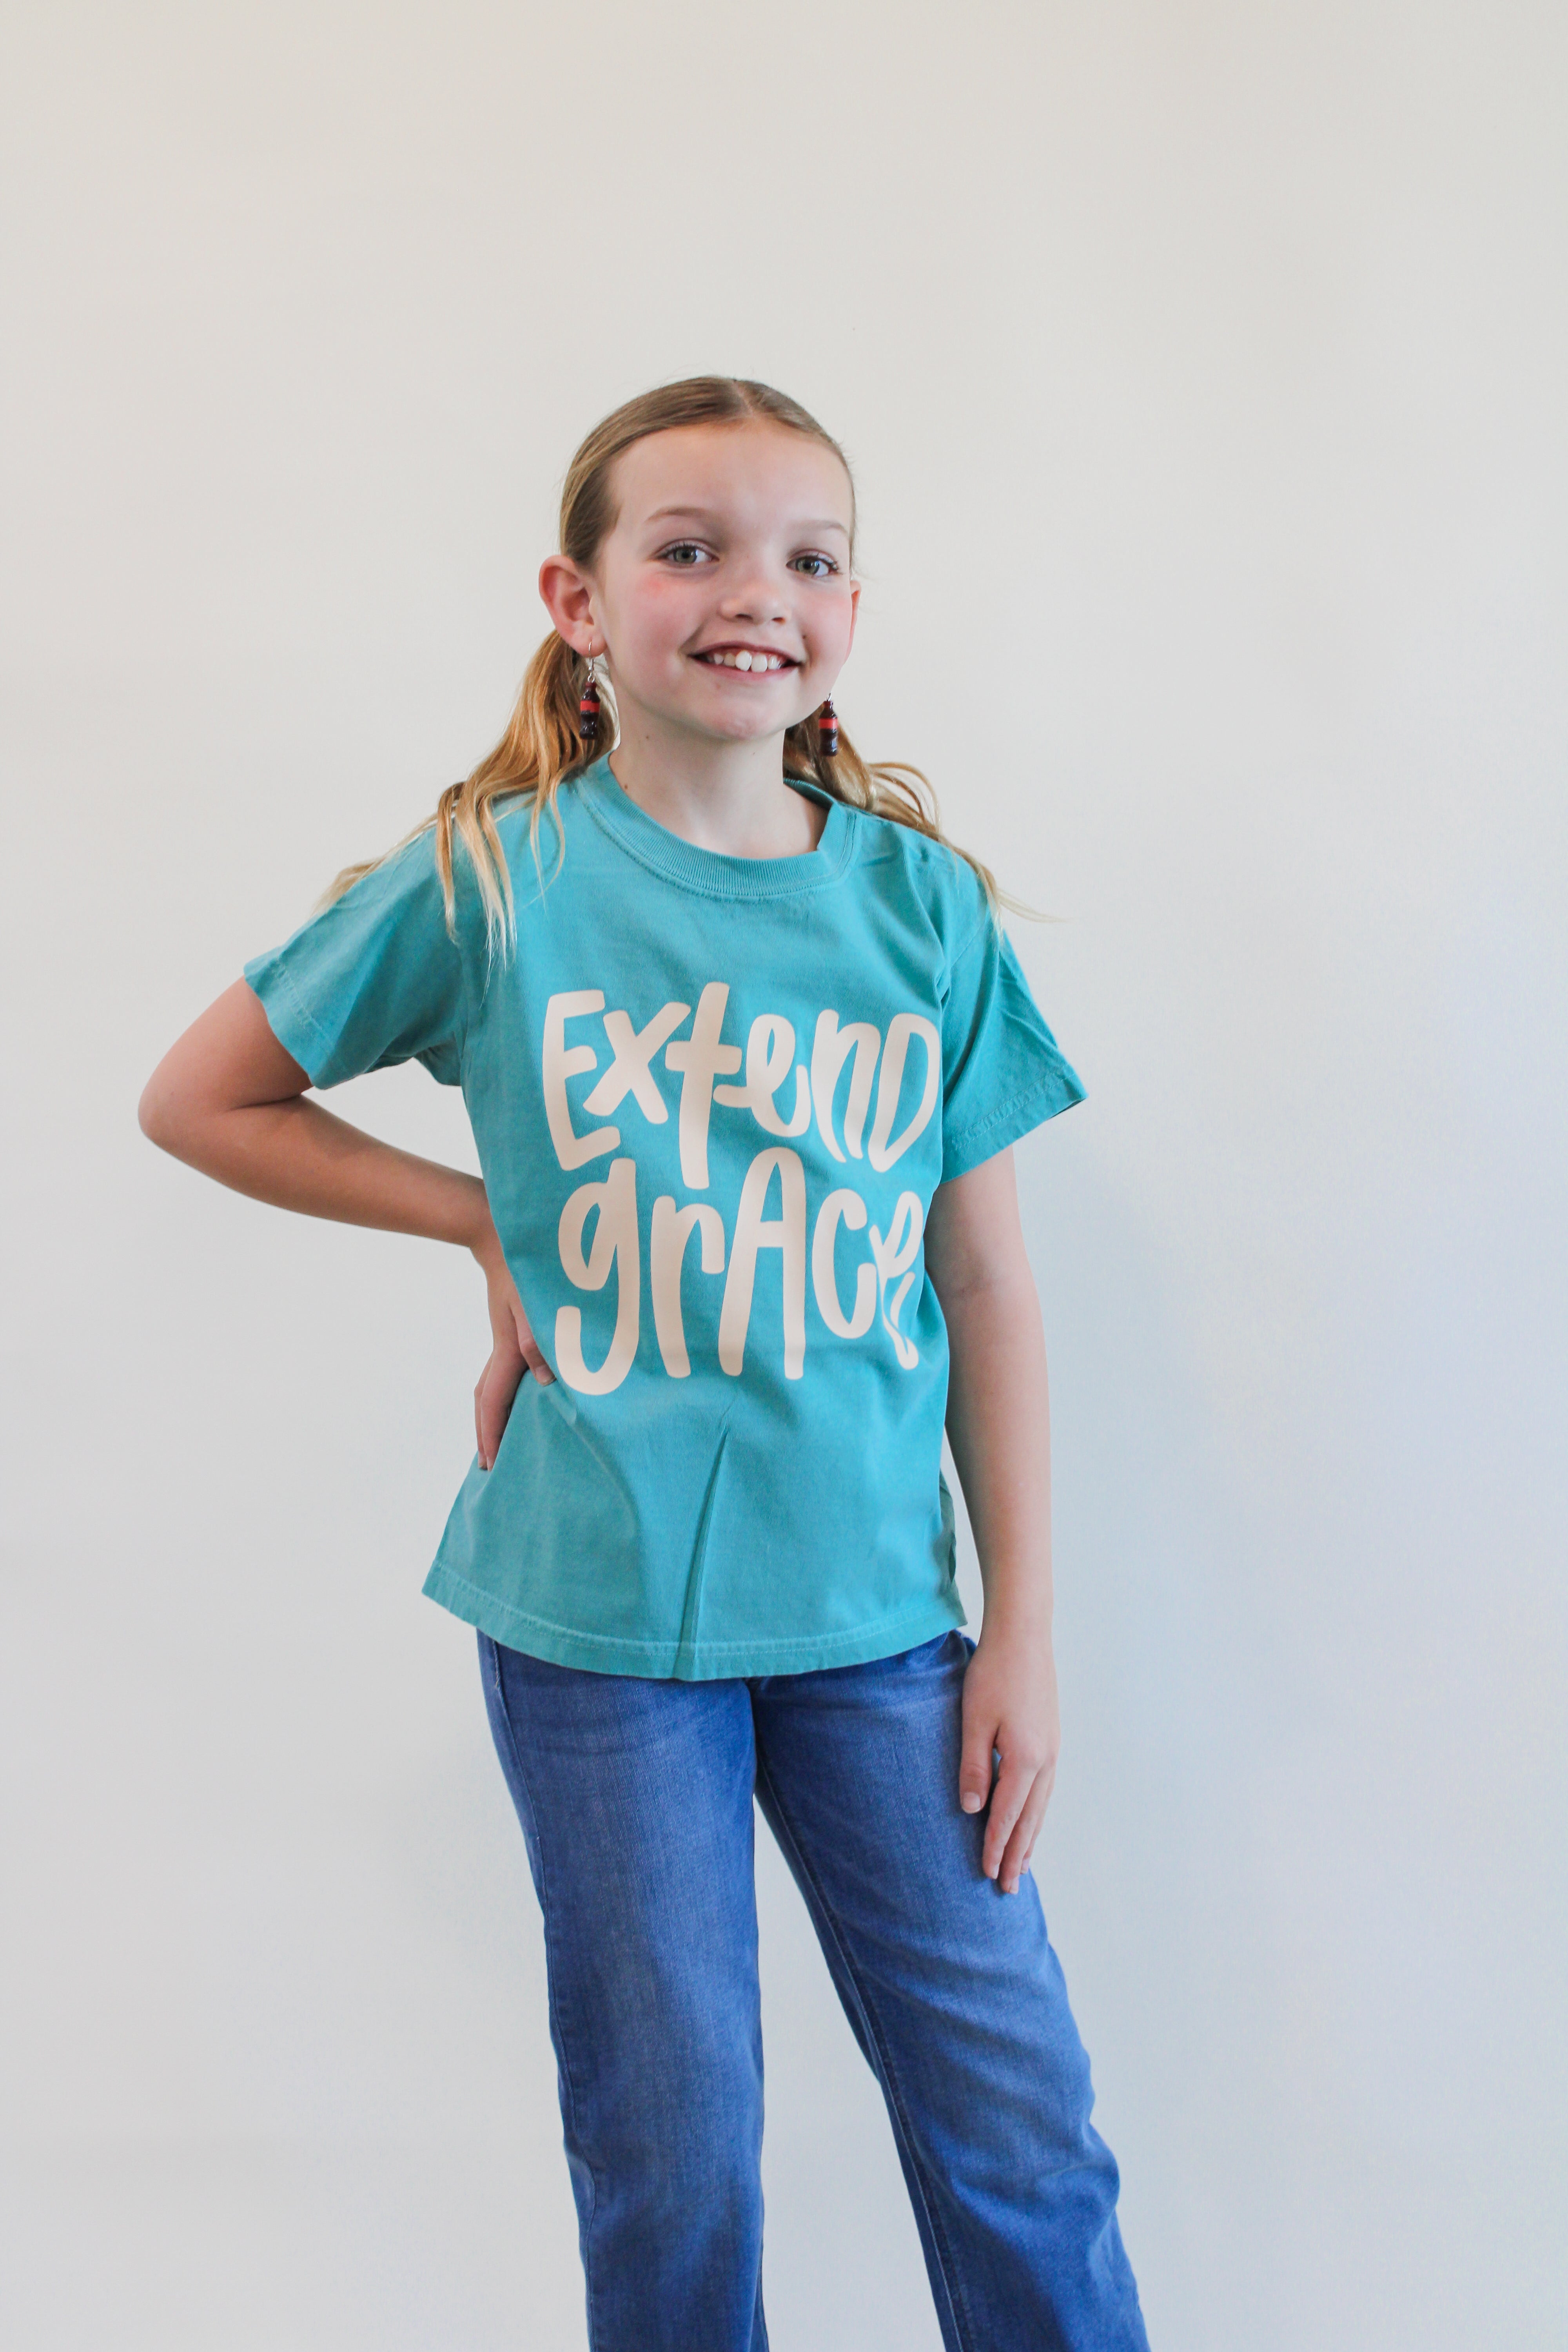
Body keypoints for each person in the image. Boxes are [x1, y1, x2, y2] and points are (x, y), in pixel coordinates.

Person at [140, 376, 1151, 2351]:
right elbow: (203, 1097)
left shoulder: (921, 911)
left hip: (881, 1625)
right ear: (579, 602)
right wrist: (482, 1223)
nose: (756, 591)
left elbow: (987, 1286)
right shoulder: (491, 883)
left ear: (850, 607)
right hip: (598, 1630)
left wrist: (1022, 1632)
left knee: (1019, 2134)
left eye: (810, 557)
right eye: (689, 548)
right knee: (673, 2153)